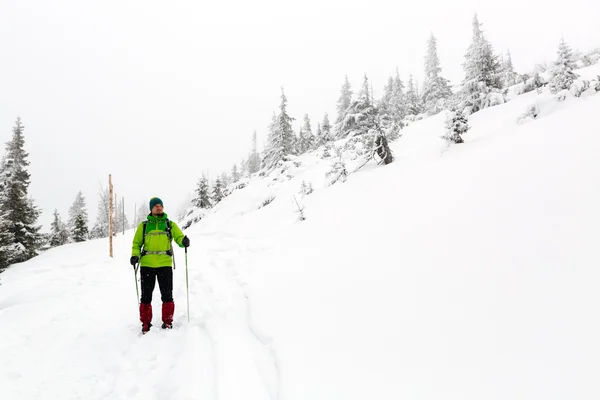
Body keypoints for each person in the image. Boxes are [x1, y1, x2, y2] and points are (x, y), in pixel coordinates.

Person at [130, 197, 190, 333]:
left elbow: (179, 237)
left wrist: (184, 241)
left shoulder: (170, 224)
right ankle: (146, 323)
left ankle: (168, 321)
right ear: (151, 209)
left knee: (167, 294)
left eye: (160, 205)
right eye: (156, 206)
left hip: (165, 265)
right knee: (146, 297)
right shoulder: (144, 226)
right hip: (147, 265)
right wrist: (135, 255)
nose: (159, 207)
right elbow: (136, 244)